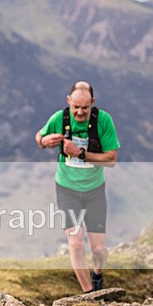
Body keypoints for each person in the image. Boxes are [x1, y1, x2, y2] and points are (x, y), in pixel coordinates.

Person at [35, 81, 120, 293]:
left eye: (85, 107)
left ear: (92, 102)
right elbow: (38, 137)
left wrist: (80, 154)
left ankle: (98, 275)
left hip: (94, 190)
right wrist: (45, 141)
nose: (80, 112)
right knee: (75, 243)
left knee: (99, 249)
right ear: (68, 102)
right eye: (76, 107)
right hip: (66, 189)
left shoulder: (103, 121)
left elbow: (111, 159)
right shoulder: (59, 118)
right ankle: (89, 292)